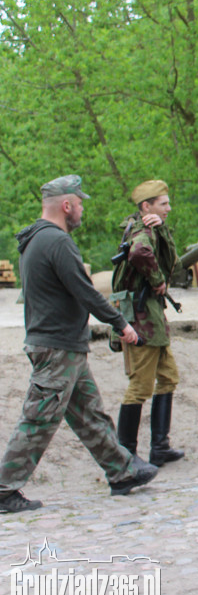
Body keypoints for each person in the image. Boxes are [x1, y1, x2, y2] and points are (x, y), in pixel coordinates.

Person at [0, 176, 158, 514]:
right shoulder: (56, 242)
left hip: (63, 345)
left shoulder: (35, 239)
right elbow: (85, 292)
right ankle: (4, 489)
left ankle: (122, 472)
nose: (83, 209)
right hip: (56, 348)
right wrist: (121, 324)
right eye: (80, 203)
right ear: (67, 205)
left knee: (89, 414)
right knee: (38, 419)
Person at [113, 180, 186, 468]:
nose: (169, 208)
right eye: (163, 203)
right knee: (140, 386)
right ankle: (126, 455)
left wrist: (163, 228)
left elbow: (171, 259)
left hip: (152, 318)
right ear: (146, 206)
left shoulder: (151, 228)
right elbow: (140, 253)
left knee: (168, 377)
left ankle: (160, 447)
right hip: (141, 319)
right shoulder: (142, 231)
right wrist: (157, 281)